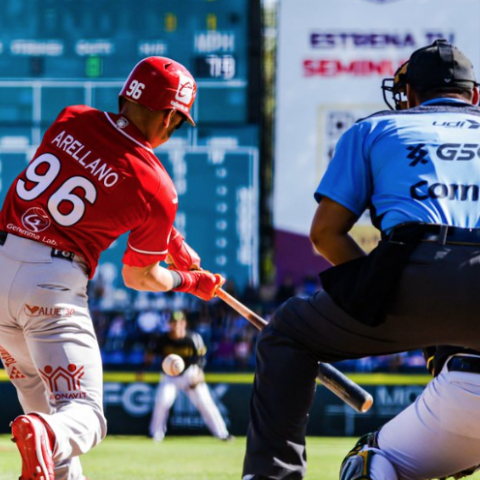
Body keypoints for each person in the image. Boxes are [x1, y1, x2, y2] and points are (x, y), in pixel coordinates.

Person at [242, 39, 480, 480]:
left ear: (408, 94)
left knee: (288, 334)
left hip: (415, 268)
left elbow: (325, 233)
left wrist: (373, 291)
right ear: (475, 95)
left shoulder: (376, 129)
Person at [0, 56, 225, 480]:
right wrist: (191, 281)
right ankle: (47, 435)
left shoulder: (73, 118)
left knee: (50, 428)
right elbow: (139, 276)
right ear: (169, 116)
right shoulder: (157, 185)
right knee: (82, 416)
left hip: (1, 273)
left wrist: (170, 238)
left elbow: (95, 177)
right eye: (178, 121)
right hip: (50, 288)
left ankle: (46, 437)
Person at [147, 310, 233, 442]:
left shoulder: (193, 338)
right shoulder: (162, 339)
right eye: (174, 322)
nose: (177, 325)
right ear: (170, 324)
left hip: (190, 373)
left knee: (205, 402)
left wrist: (199, 374)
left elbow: (201, 359)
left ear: (184, 323)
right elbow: (150, 355)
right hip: (169, 376)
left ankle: (222, 434)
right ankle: (156, 434)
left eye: (179, 322)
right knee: (162, 401)